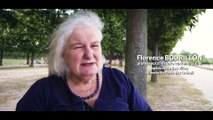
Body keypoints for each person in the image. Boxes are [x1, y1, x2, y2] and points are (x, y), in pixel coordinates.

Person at [16, 11, 152, 111]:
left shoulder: (118, 80)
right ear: (63, 54)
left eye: (94, 45)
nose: (89, 54)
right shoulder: (43, 91)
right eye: (78, 47)